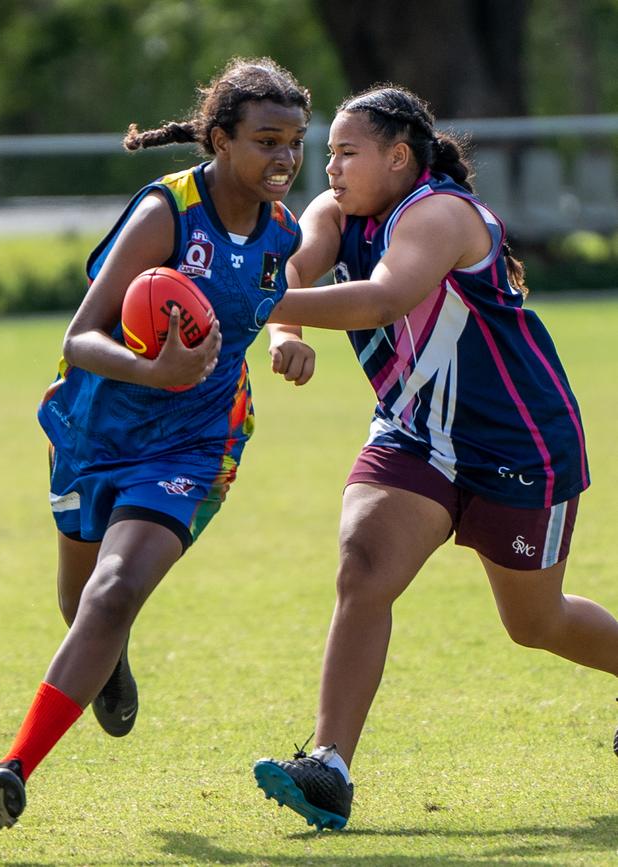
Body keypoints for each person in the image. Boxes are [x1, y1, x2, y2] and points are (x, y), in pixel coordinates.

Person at [254, 84, 618, 831]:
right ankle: (329, 766)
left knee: (536, 623)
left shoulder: (440, 214)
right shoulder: (334, 213)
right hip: (413, 432)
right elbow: (288, 274)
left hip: (519, 441)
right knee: (363, 564)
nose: (331, 167)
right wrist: (283, 331)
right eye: (329, 154)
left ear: (398, 156)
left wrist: (255, 309)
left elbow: (383, 298)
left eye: (347, 153)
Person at [0, 56, 315, 838]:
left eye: (296, 141)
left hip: (197, 444)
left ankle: (10, 771)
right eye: (267, 140)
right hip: (97, 427)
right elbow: (81, 336)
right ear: (219, 141)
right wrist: (153, 370)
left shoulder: (282, 232)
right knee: (81, 600)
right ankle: (107, 661)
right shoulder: (167, 214)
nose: (286, 158)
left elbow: (253, 308)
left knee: (115, 589)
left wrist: (285, 341)